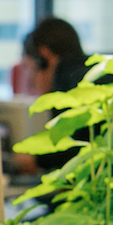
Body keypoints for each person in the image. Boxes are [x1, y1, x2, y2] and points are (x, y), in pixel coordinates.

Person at [14, 17, 89, 172]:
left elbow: (75, 147)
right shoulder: (92, 72)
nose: (34, 81)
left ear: (45, 55)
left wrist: (37, 160)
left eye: (32, 69)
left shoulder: (67, 87)